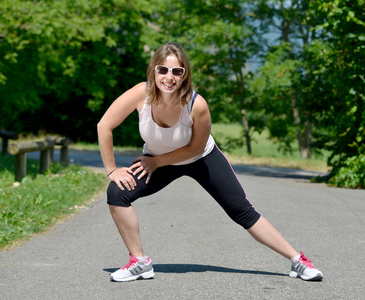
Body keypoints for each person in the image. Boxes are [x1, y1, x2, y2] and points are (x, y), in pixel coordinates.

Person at [97, 42, 323, 282]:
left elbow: (193, 148)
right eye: (162, 70)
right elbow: (105, 126)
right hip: (157, 161)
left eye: (177, 71)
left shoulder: (197, 105)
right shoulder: (140, 94)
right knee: (117, 193)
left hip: (200, 158)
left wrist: (156, 162)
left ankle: (298, 261)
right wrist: (112, 170)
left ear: (185, 75)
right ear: (153, 71)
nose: (169, 77)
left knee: (242, 212)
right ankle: (139, 262)